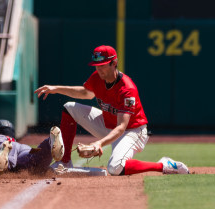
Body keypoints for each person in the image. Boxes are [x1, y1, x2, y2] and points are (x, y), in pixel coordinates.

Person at [34, 45, 189, 175]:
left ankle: (163, 165)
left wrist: (99, 143)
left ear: (114, 63)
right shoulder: (97, 77)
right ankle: (65, 161)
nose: (98, 69)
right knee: (69, 108)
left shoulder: (127, 89)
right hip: (109, 125)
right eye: (96, 65)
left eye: (102, 65)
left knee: (115, 168)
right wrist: (56, 89)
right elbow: (85, 93)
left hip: (132, 131)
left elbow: (122, 127)